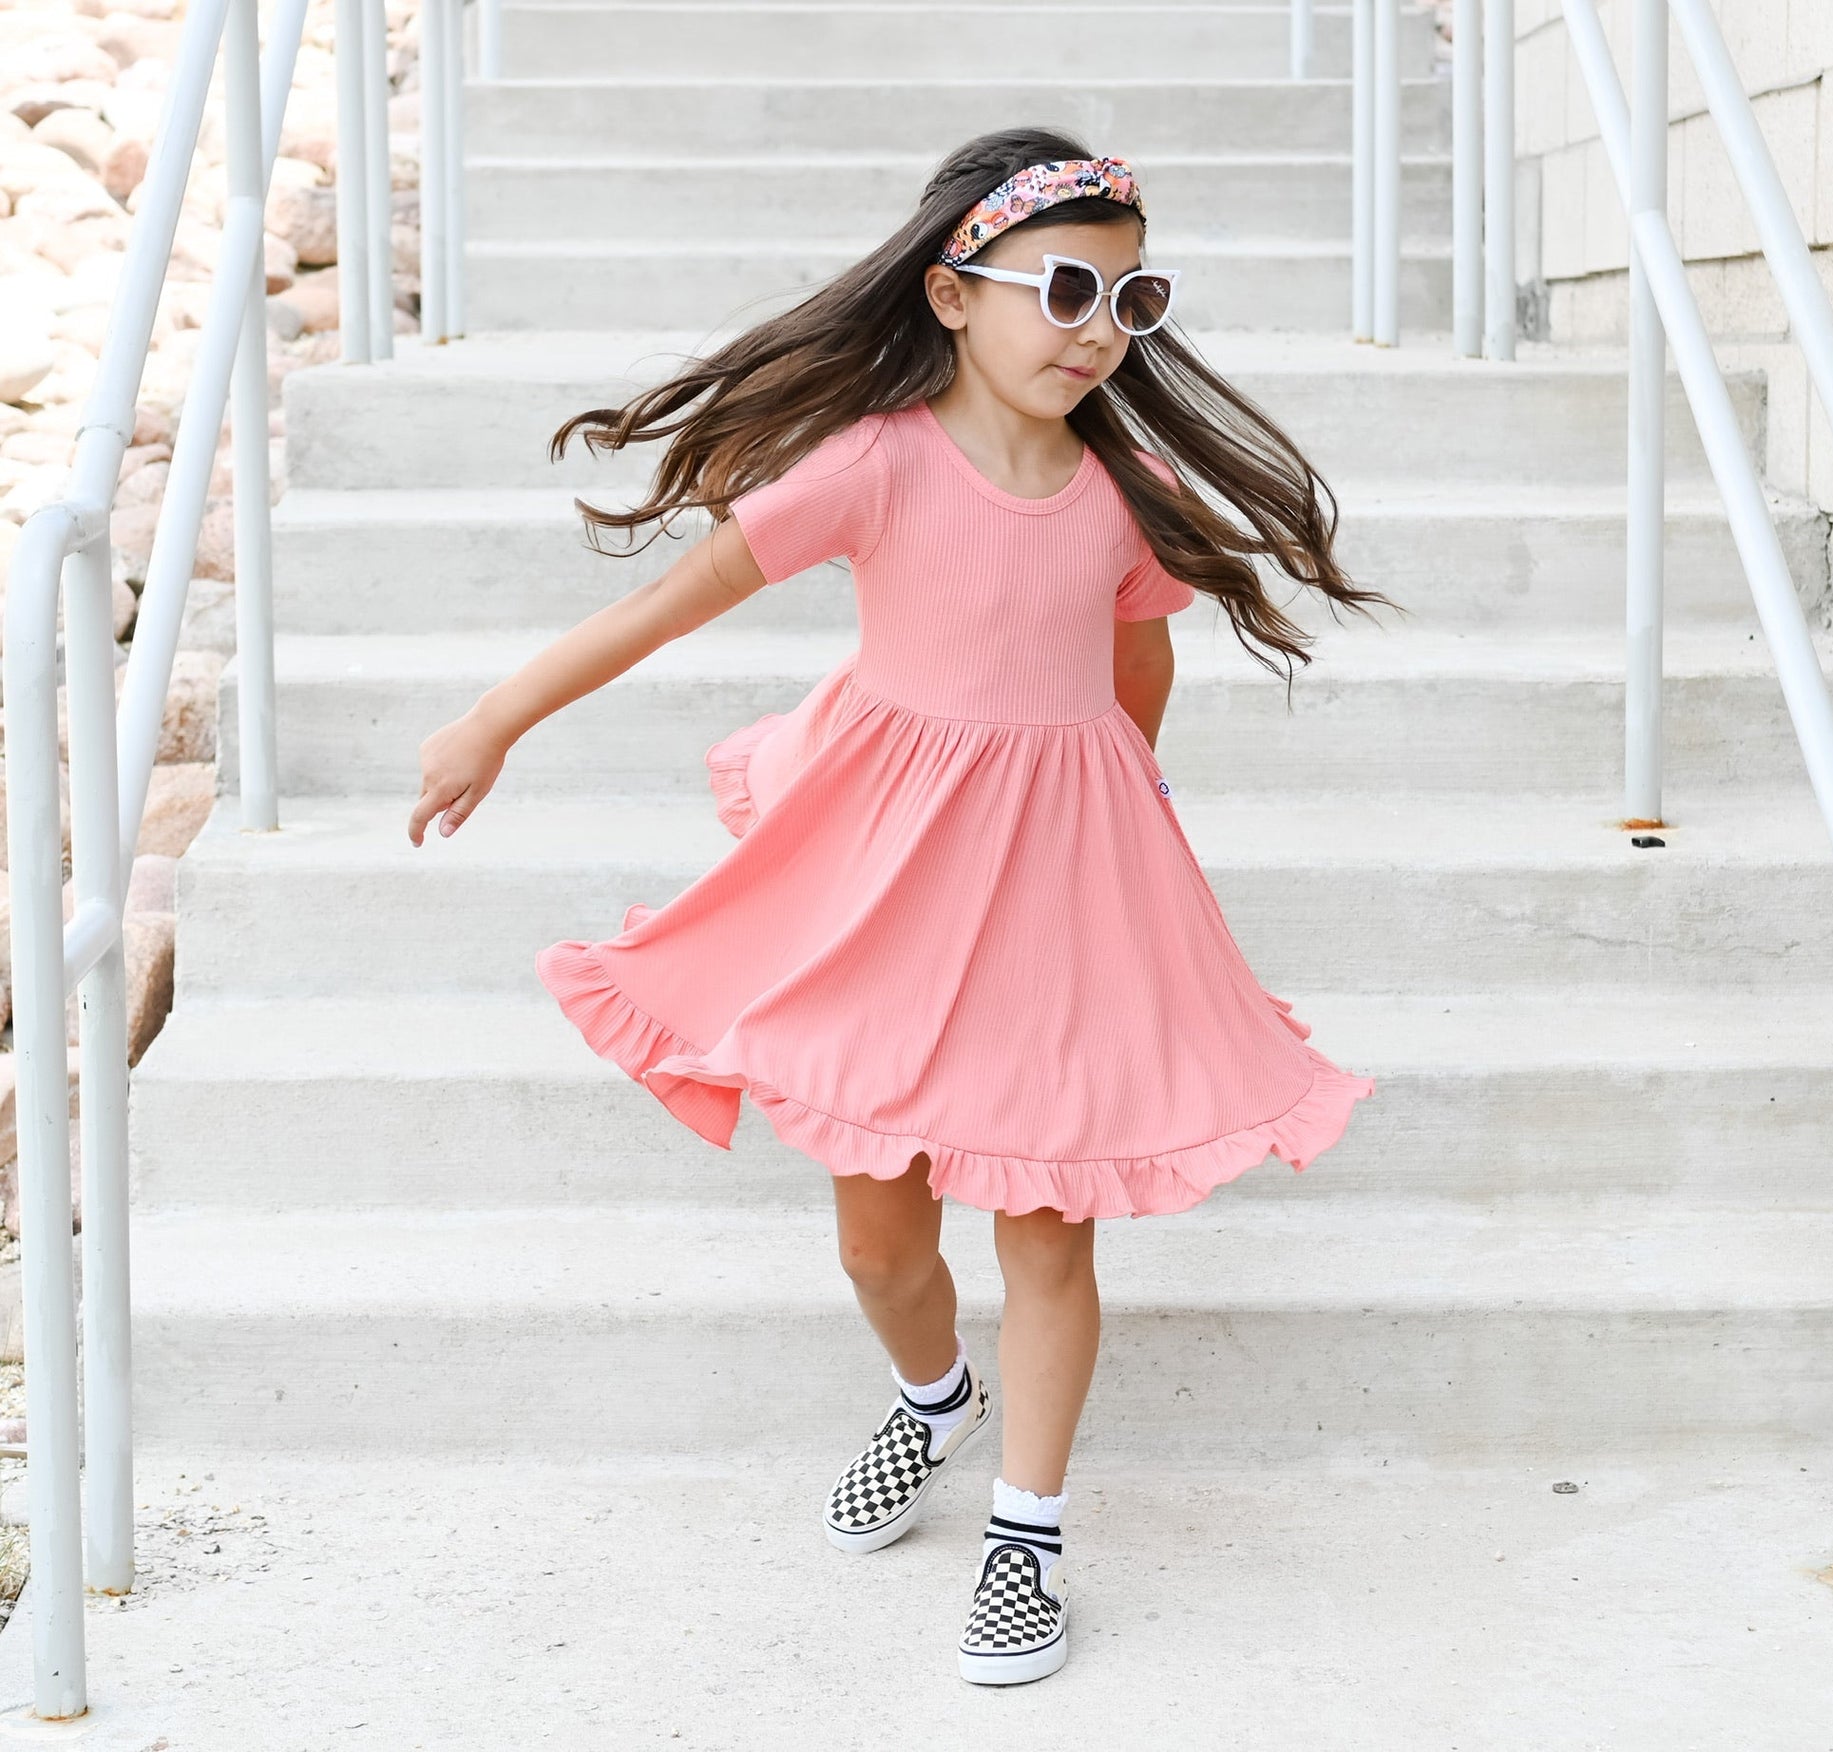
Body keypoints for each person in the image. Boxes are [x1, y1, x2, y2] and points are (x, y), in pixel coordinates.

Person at [409, 128, 1391, 1686]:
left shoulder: (1124, 491)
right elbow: (664, 605)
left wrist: (1104, 817)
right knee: (878, 1248)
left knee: (1049, 1232)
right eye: (1064, 289)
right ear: (953, 293)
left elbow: (1138, 671)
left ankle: (1025, 1537)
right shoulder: (873, 464)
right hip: (887, 880)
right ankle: (936, 1401)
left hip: (1062, 888)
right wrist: (493, 721)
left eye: (1131, 303)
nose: (1094, 329)